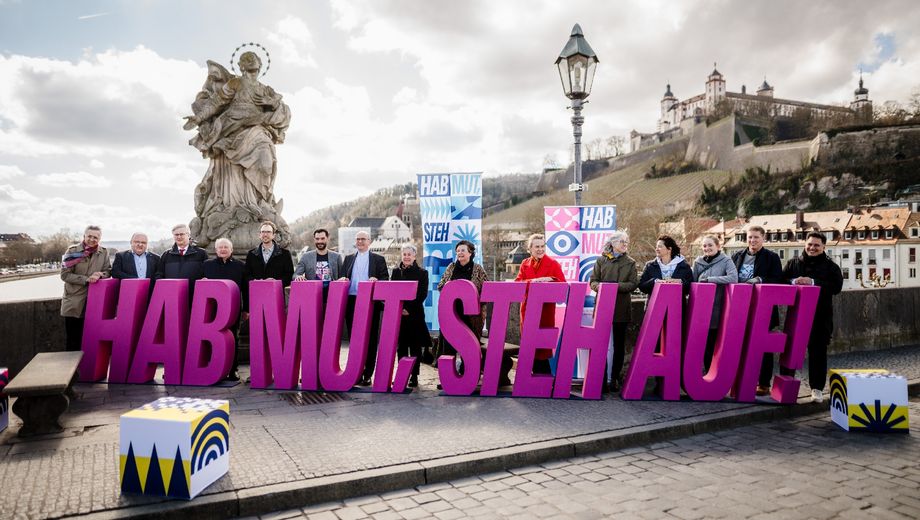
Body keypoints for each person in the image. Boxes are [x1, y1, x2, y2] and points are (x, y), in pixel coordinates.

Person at [779, 232, 843, 403]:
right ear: (804, 244)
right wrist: (794, 282)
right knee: (789, 351)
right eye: (810, 244)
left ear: (824, 247)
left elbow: (837, 287)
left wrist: (813, 282)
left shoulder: (831, 266)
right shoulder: (793, 263)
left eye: (816, 245)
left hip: (820, 317)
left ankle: (817, 389)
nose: (812, 248)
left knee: (818, 353)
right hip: (796, 316)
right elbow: (781, 281)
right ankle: (785, 387)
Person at [730, 225, 783, 396]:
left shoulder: (772, 258)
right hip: (740, 307)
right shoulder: (736, 256)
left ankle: (764, 383)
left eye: (756, 238)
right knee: (739, 346)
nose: (752, 240)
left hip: (763, 308)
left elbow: (778, 279)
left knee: (764, 348)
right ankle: (740, 380)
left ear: (763, 239)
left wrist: (760, 279)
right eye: (750, 237)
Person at [588, 231, 638, 393]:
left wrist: (614, 287)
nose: (625, 244)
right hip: (602, 307)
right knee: (599, 344)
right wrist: (601, 287)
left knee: (619, 345)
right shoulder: (601, 260)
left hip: (621, 309)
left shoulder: (630, 262)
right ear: (613, 243)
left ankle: (615, 378)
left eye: (626, 242)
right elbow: (593, 281)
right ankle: (600, 380)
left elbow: (632, 284)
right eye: (622, 242)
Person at [436, 240, 488, 389]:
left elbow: (487, 289)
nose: (459, 253)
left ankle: (467, 375)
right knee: (448, 347)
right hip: (452, 314)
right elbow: (440, 285)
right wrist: (447, 285)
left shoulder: (478, 269)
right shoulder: (451, 267)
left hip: (472, 316)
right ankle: (447, 378)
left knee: (469, 347)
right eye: (458, 250)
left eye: (463, 250)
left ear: (470, 253)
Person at [340, 231, 389, 386]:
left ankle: (368, 374)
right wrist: (342, 279)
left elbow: (385, 279)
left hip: (370, 302)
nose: (360, 241)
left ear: (370, 241)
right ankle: (356, 371)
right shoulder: (348, 259)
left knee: (371, 338)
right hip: (352, 301)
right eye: (358, 239)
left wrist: (377, 280)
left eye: (363, 239)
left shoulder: (378, 259)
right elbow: (342, 277)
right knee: (354, 339)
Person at [515, 233, 566, 375]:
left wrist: (550, 280)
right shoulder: (525, 264)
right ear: (530, 248)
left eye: (542, 246)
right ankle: (532, 377)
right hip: (527, 309)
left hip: (545, 310)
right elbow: (517, 284)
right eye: (537, 246)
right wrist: (535, 281)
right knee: (529, 342)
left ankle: (543, 377)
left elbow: (562, 286)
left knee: (542, 345)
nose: (540, 249)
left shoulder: (553, 264)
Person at [202, 238, 248, 382]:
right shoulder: (206, 265)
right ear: (216, 250)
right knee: (212, 339)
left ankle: (233, 370)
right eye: (220, 247)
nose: (223, 249)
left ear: (231, 250)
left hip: (233, 310)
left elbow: (245, 290)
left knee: (233, 338)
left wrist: (246, 309)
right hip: (213, 310)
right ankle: (214, 367)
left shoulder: (241, 266)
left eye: (226, 247)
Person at [691, 235, 738, 371]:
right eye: (704, 246)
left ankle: (714, 374)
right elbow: (693, 283)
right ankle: (704, 376)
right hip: (700, 309)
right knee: (701, 345)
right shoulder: (698, 262)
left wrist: (710, 279)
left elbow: (733, 278)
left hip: (717, 309)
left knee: (713, 344)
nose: (707, 248)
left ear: (718, 246)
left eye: (710, 245)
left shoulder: (726, 260)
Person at [60, 225, 111, 351]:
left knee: (90, 341)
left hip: (94, 303)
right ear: (84, 236)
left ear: (99, 238)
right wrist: (86, 279)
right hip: (74, 302)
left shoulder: (103, 252)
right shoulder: (72, 251)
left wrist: (100, 274)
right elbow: (64, 275)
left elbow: (108, 271)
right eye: (90, 236)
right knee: (73, 341)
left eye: (96, 237)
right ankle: (72, 370)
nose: (92, 239)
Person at [389, 244, 430, 388]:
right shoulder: (395, 272)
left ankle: (414, 376)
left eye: (409, 254)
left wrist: (409, 309)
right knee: (401, 347)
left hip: (415, 315)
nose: (406, 257)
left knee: (415, 347)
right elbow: (392, 292)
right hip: (399, 315)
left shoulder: (422, 273)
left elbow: (422, 294)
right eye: (404, 254)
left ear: (414, 256)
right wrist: (400, 309)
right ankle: (402, 375)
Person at [154, 224, 208, 292]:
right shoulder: (166, 255)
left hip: (194, 295)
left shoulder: (201, 253)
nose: (179, 237)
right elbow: (159, 275)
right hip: (172, 295)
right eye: (176, 235)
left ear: (188, 235)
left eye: (182, 234)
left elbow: (207, 274)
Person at [294, 228, 344, 301]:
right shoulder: (306, 256)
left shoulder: (337, 257)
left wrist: (343, 278)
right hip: (312, 296)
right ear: (314, 239)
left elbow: (342, 276)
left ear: (327, 238)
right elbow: (295, 275)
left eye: (322, 238)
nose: (320, 241)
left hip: (332, 296)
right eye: (317, 239)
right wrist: (298, 277)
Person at [245, 221, 295, 288]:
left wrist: (275, 283)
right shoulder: (251, 254)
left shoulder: (285, 254)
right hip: (257, 292)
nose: (265, 234)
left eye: (268, 232)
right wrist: (256, 281)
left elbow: (289, 275)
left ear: (273, 235)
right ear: (259, 235)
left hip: (276, 293)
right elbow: (246, 275)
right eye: (263, 232)